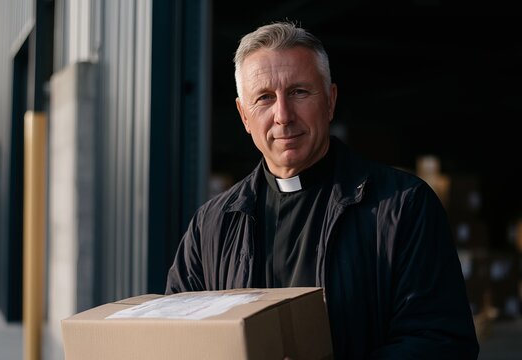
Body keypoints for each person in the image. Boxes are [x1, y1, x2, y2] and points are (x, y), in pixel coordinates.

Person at [166, 21, 479, 359]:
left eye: (299, 92)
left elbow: (443, 343)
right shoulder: (211, 226)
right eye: (265, 98)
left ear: (330, 101)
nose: (283, 115)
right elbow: (180, 337)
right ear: (244, 116)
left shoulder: (403, 207)